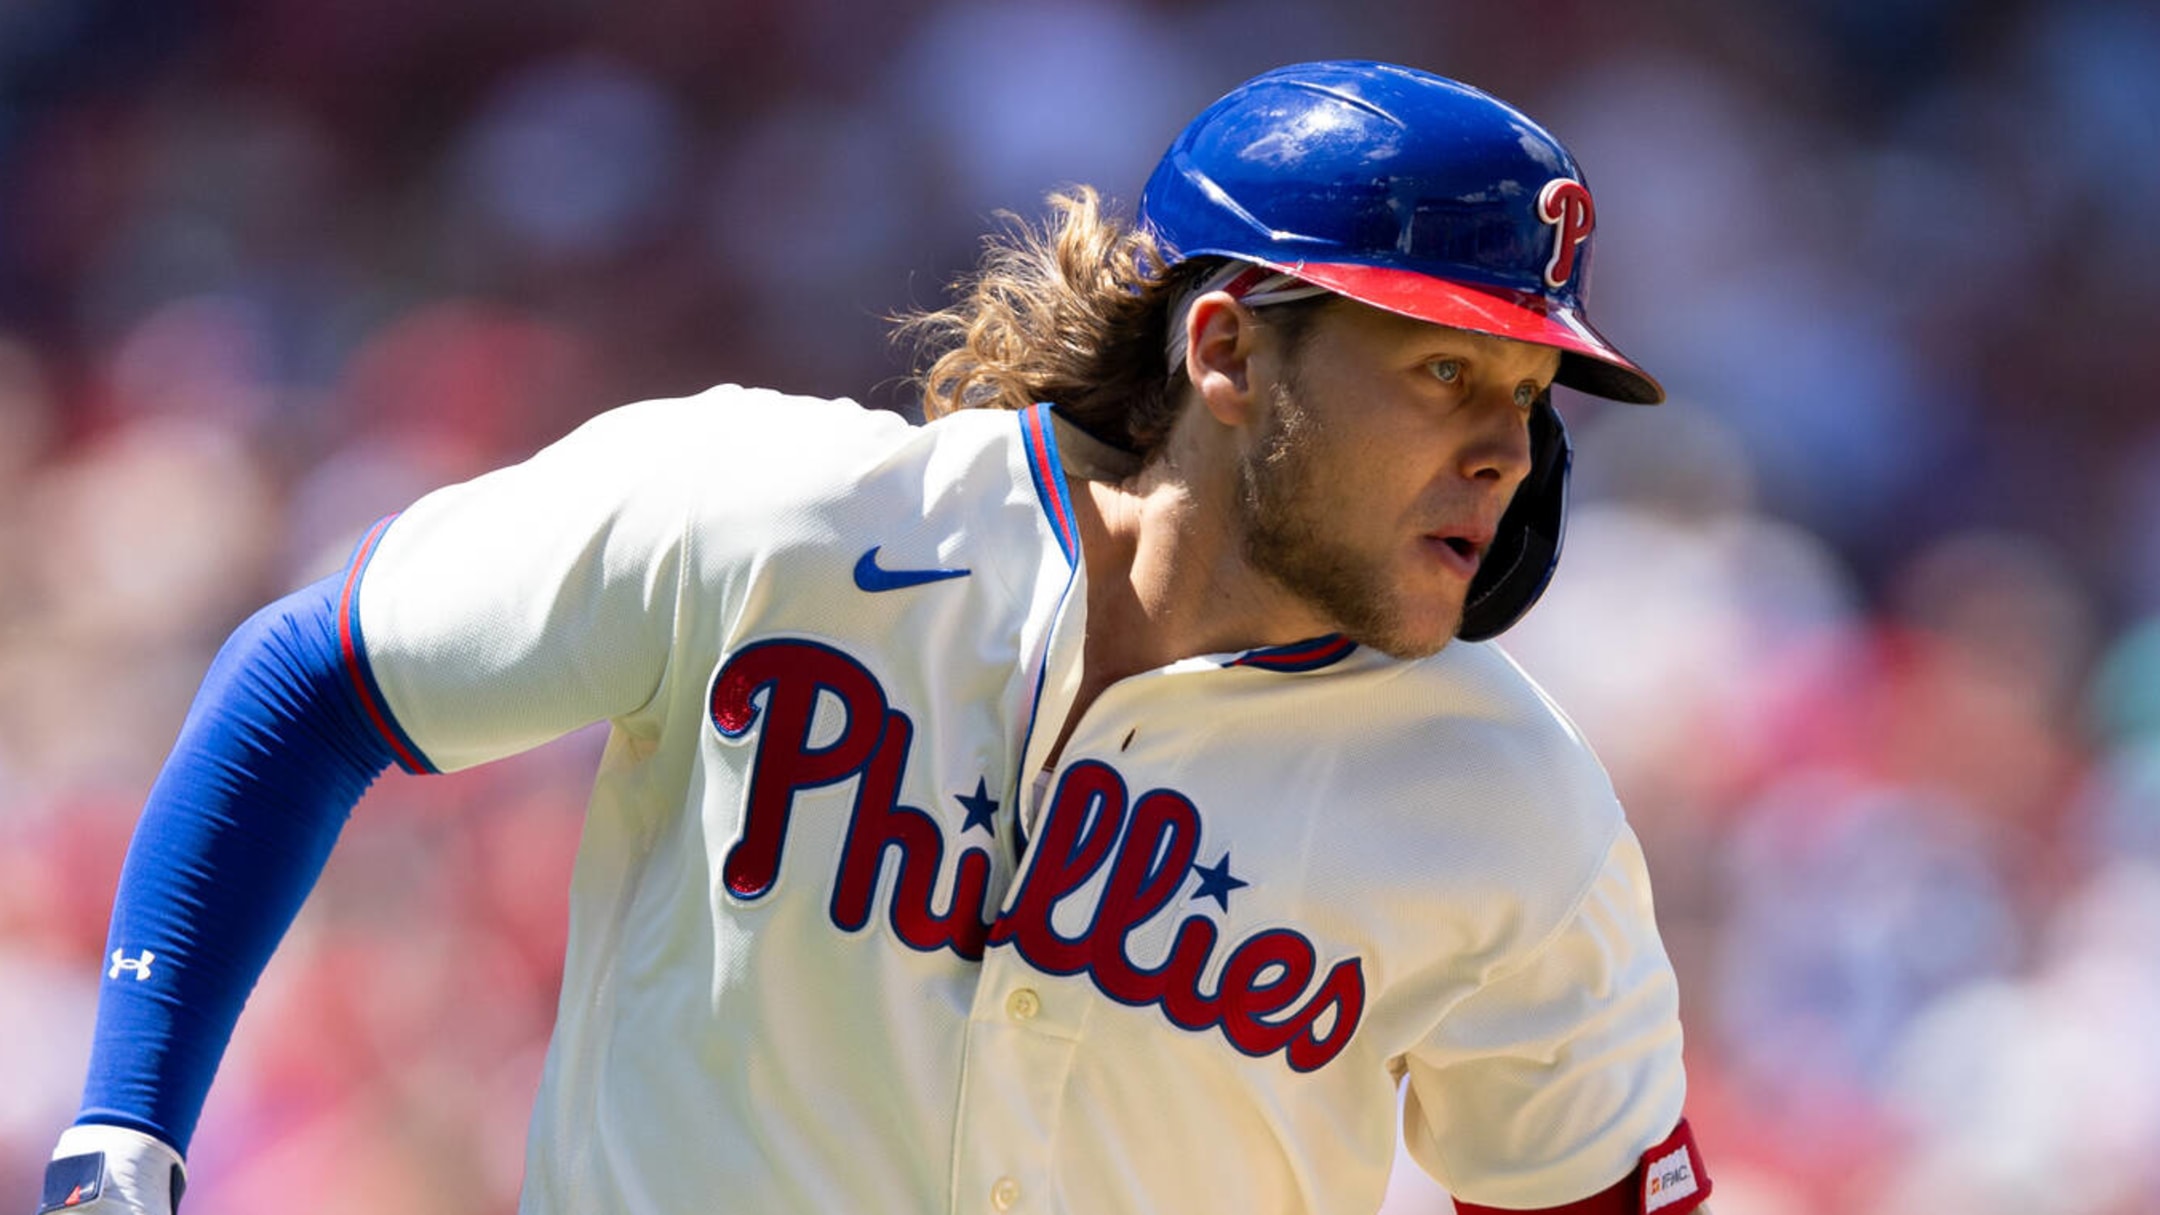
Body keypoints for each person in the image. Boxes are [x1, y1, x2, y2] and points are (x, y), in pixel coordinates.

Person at [37, 60, 1713, 1215]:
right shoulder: (776, 521)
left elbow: (1595, 1190)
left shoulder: (1507, 799)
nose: (1508, 449)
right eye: (1442, 370)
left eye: (1524, 391)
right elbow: (310, 681)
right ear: (1225, 352)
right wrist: (125, 1125)